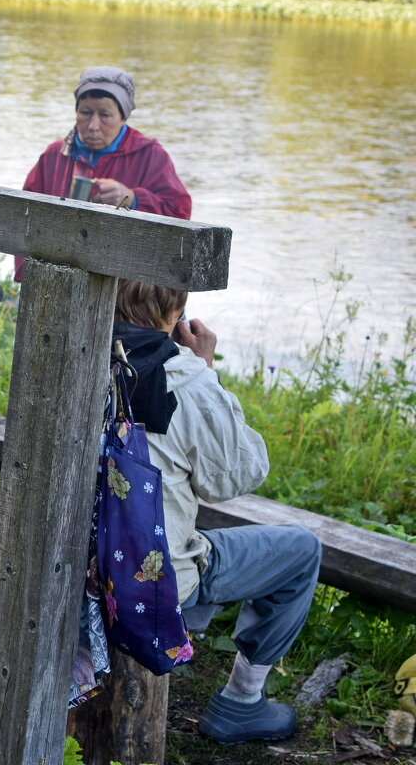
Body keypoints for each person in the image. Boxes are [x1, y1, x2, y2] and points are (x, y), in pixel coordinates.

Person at [111, 279, 321, 744]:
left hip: (75, 559)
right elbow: (235, 478)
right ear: (177, 315)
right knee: (301, 551)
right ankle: (241, 702)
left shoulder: (77, 351)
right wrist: (204, 370)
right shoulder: (182, 377)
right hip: (145, 578)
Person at [15, 66, 191, 281]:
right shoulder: (55, 155)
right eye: (86, 113)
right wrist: (31, 277)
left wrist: (134, 200)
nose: (93, 125)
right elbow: (24, 217)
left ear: (123, 117)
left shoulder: (150, 155)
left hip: (128, 288)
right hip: (58, 279)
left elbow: (180, 216)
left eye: (105, 115)